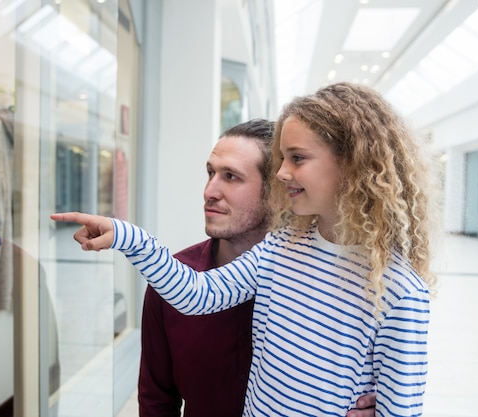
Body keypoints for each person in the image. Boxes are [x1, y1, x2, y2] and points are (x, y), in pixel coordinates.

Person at [52, 82, 438, 416]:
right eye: (282, 159)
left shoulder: (401, 293)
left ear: (352, 165)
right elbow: (197, 294)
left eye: (297, 158)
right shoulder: (283, 247)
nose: (282, 173)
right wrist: (127, 236)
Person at [139, 118, 376, 416]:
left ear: (278, 191)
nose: (209, 191)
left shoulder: (328, 284)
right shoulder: (172, 282)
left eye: (231, 177)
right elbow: (156, 399)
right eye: (211, 173)